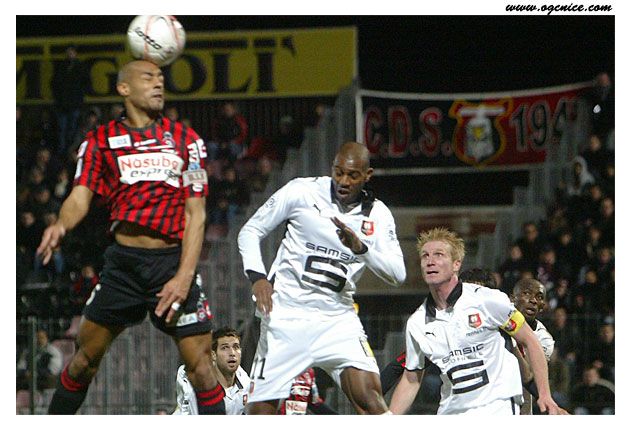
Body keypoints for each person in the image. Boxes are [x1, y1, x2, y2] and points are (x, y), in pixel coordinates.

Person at [36, 60, 225, 415]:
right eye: (148, 77)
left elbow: (196, 214)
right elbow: (80, 195)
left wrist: (184, 276)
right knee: (83, 362)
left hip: (171, 264)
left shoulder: (188, 141)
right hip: (123, 267)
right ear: (124, 88)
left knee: (202, 369)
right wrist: (61, 225)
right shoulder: (100, 140)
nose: (158, 83)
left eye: (161, 78)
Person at [238, 141, 406, 414]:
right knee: (260, 412)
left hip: (337, 318)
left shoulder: (378, 215)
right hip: (287, 316)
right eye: (339, 172)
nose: (343, 181)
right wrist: (258, 277)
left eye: (352, 175)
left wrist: (360, 248)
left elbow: (397, 274)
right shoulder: (302, 191)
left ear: (367, 175)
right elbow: (250, 231)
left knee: (370, 400)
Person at [389, 227, 566, 415]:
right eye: (425, 256)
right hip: (451, 412)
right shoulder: (417, 323)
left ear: (456, 264)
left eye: (438, 255)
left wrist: (545, 395)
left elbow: (530, 340)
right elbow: (411, 379)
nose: (430, 261)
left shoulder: (487, 299)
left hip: (496, 408)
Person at [174, 326, 250, 415]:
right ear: (213, 355)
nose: (232, 353)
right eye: (225, 348)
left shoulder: (246, 384)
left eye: (236, 347)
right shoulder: (194, 379)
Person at [509, 278, 555, 414]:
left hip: (520, 403)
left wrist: (511, 342)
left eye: (539, 297)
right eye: (527, 293)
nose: (533, 300)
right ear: (512, 299)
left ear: (542, 306)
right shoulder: (495, 319)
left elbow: (527, 376)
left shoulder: (544, 338)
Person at [51, 45, 87, 156]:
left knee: (72, 129)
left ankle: (71, 150)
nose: (69, 54)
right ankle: (62, 152)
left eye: (71, 52)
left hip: (75, 104)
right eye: (68, 52)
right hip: (62, 104)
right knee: (61, 129)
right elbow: (54, 83)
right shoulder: (60, 67)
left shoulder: (80, 67)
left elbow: (84, 83)